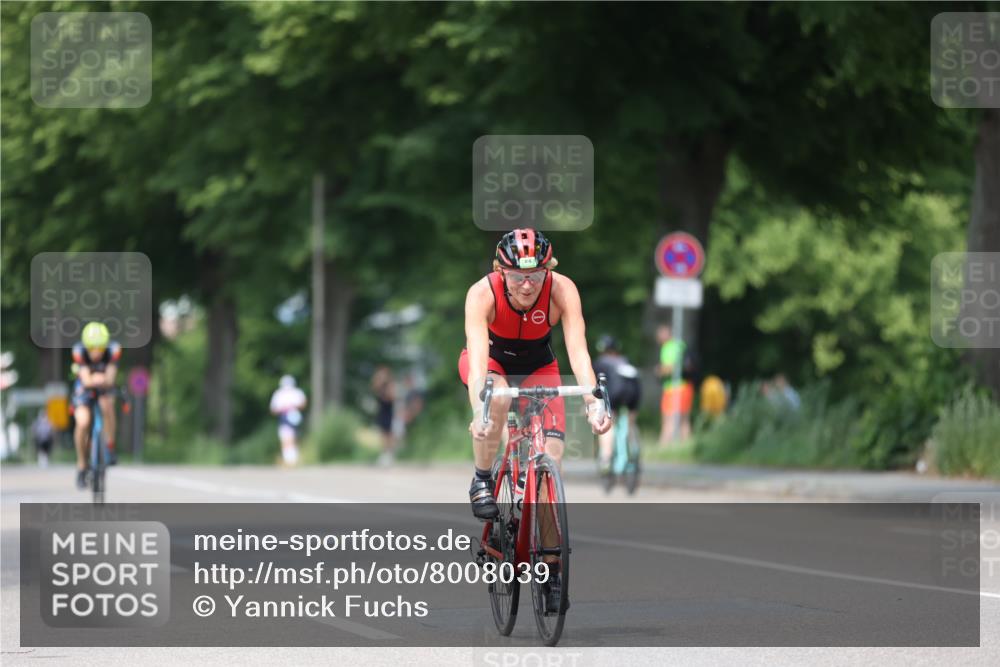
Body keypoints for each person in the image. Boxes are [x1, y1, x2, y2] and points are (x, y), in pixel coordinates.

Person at [460, 228, 611, 613]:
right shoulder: (482, 293)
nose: (527, 285)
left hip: (539, 367)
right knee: (500, 397)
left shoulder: (562, 290)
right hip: (492, 364)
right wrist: (481, 410)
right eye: (517, 276)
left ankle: (551, 569)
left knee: (552, 459)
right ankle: (481, 479)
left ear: (548, 270)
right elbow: (477, 362)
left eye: (536, 274)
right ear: (500, 271)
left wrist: (594, 403)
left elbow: (578, 352)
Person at [71, 322, 121, 489]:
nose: (97, 352)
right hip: (84, 388)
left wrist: (104, 380)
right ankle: (81, 465)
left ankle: (110, 445)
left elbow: (111, 377)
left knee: (107, 404)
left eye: (100, 347)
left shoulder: (113, 350)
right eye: (92, 347)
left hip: (104, 387)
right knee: (83, 422)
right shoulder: (79, 352)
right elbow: (85, 379)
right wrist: (96, 379)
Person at [591, 334, 641, 473]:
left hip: (615, 392)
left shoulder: (600, 362)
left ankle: (606, 458)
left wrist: (590, 404)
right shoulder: (625, 360)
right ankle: (634, 450)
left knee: (608, 422)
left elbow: (596, 386)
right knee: (631, 422)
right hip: (634, 392)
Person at [657, 324, 692, 444]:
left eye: (660, 334)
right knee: (684, 419)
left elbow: (671, 367)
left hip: (674, 388)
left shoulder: (668, 347)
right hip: (685, 386)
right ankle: (685, 446)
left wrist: (659, 370)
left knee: (668, 419)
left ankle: (664, 446)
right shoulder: (680, 344)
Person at [270, 375, 307, 466]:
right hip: (287, 417)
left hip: (292, 417)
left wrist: (289, 407)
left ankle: (291, 460)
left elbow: (273, 409)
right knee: (289, 438)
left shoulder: (281, 394)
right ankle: (291, 460)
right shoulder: (286, 393)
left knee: (289, 438)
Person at [371, 366, 397, 466]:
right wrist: (379, 380)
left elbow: (392, 397)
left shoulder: (391, 384)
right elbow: (374, 388)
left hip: (388, 411)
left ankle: (389, 454)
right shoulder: (380, 385)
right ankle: (384, 454)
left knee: (389, 433)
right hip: (381, 411)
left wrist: (386, 388)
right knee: (382, 433)